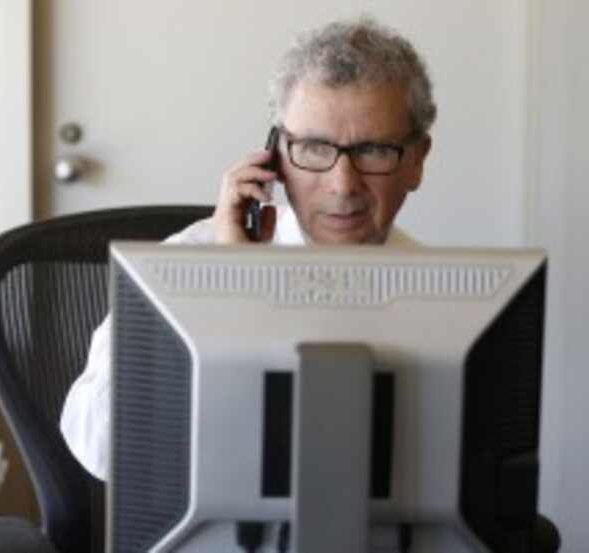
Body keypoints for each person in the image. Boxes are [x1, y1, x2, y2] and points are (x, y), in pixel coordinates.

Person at [61, 16, 436, 481]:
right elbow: (97, 446)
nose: (343, 185)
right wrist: (229, 293)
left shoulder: (444, 294)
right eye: (316, 149)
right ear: (274, 156)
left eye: (373, 150)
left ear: (416, 162)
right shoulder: (188, 262)